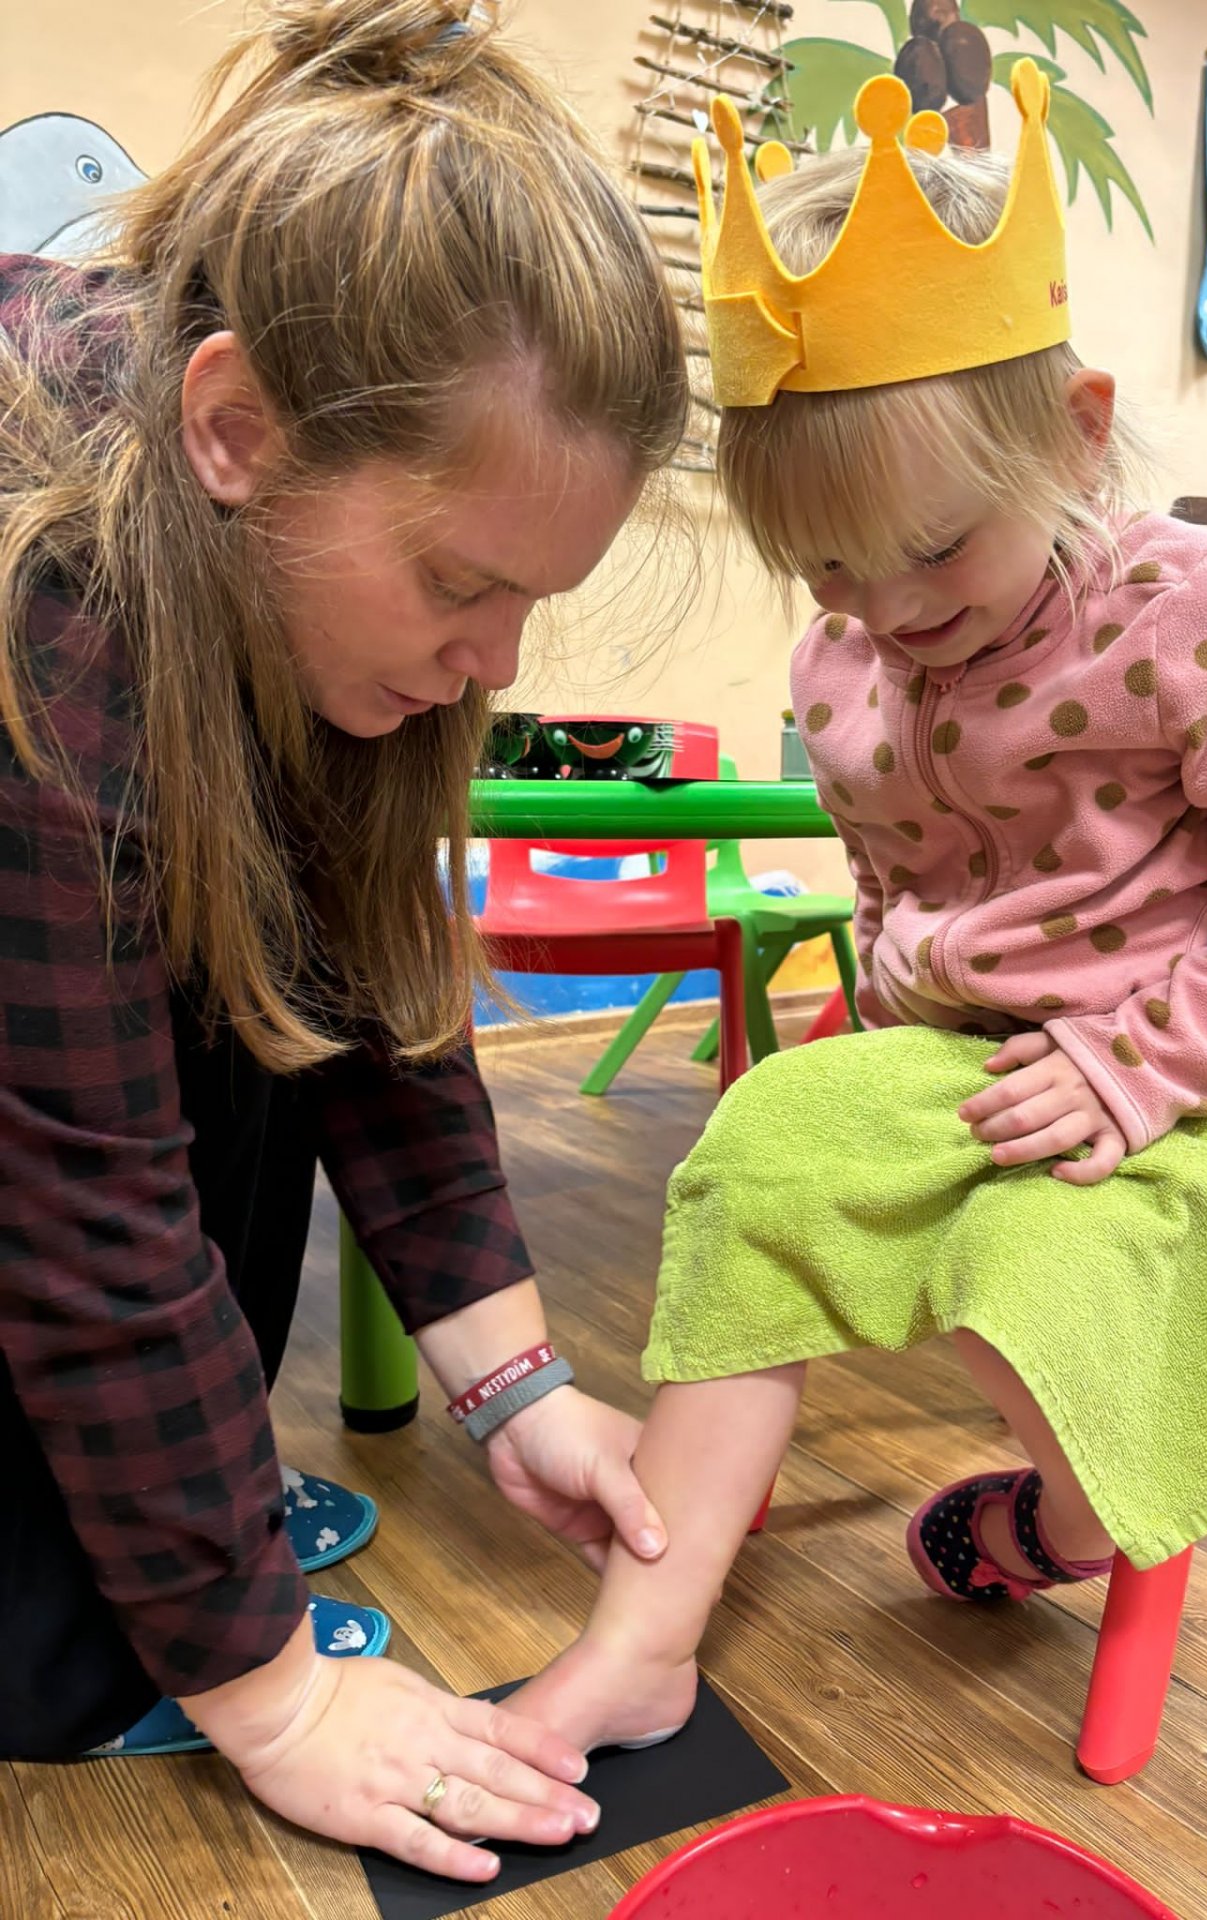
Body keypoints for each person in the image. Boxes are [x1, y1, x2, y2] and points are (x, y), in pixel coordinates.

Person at [505, 67, 1207, 1753]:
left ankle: (1061, 1526)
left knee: (1034, 1253)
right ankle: (643, 1633)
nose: (887, 609)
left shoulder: (1189, 609)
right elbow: (895, 890)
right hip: (968, 1068)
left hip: (1199, 1090)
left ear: (1076, 433)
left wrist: (1144, 1060)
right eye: (829, 567)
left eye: (933, 548)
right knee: (753, 1149)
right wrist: (880, 1046)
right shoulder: (845, 661)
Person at [0, 0, 689, 1887]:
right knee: (60, 1665)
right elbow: (79, 1199)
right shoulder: (50, 602)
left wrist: (515, 1384)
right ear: (232, 433)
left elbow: (380, 994)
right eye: (462, 585)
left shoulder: (288, 556)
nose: (494, 664)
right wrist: (278, 1696)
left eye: (532, 601)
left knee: (263, 996)